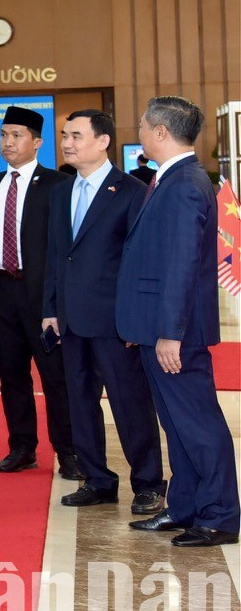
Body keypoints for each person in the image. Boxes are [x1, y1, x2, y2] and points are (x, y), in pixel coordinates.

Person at [119, 97, 238, 547]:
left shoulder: (185, 183)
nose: (142, 133)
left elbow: (181, 265)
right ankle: (186, 505)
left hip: (176, 333)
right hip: (157, 328)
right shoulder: (170, 178)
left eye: (145, 127)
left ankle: (221, 516)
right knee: (176, 424)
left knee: (198, 424)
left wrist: (170, 331)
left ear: (162, 133)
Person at [41, 110, 162, 513]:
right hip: (71, 320)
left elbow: (142, 260)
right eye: (64, 135)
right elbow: (57, 256)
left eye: (76, 135)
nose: (67, 142)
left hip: (115, 321)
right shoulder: (61, 192)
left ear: (103, 141)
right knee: (80, 401)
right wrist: (50, 309)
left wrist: (138, 319)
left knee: (130, 402)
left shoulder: (130, 190)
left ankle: (148, 484)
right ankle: (97, 480)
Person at [0, 107, 77, 477]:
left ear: (37, 142)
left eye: (16, 135)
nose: (7, 142)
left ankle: (69, 451)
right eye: (3, 134)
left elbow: (66, 247)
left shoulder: (58, 185)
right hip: (1, 292)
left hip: (42, 296)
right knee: (13, 374)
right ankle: (22, 447)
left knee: (55, 376)